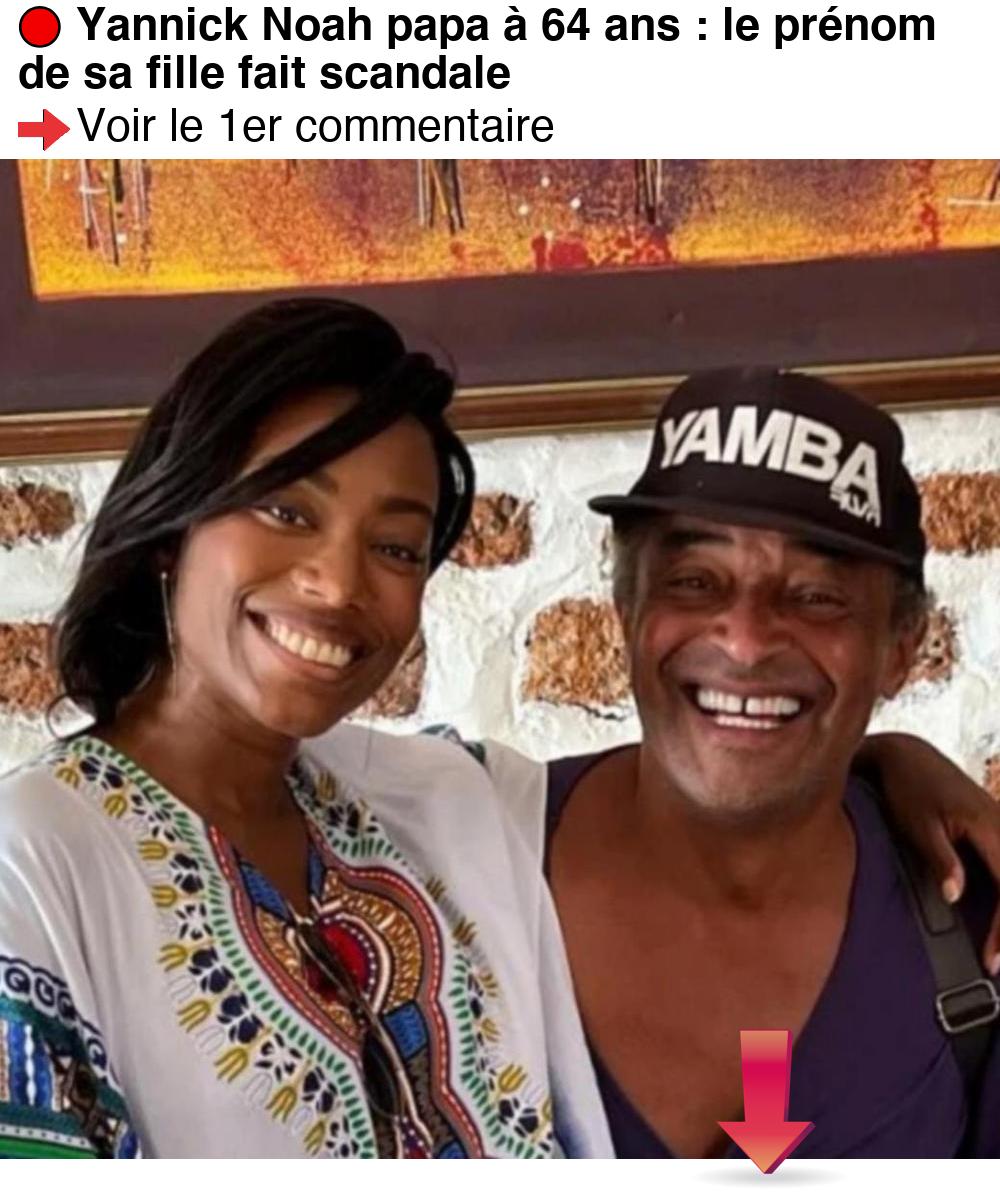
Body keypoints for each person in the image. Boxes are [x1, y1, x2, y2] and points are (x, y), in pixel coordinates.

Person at [0, 303, 995, 1159]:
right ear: (173, 523)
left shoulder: (436, 812)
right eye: (285, 510)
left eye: (395, 546)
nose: (338, 583)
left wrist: (888, 763)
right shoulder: (31, 869)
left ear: (900, 647)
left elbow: (752, 790)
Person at [483, 368, 1000, 1157]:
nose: (747, 639)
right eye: (695, 581)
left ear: (900, 649)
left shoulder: (974, 927)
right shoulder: (461, 863)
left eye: (817, 594)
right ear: (626, 612)